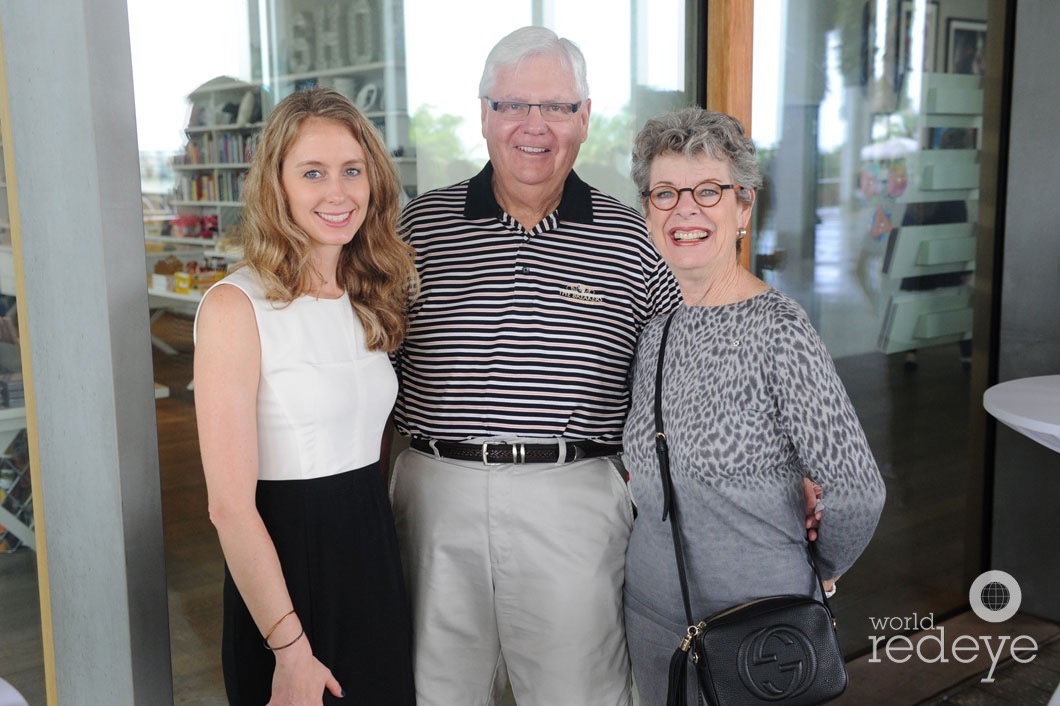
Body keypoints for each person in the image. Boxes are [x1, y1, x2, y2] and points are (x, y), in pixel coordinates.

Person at [388, 26, 683, 706]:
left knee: (581, 692)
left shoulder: (633, 237)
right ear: (484, 114)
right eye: (514, 105)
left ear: (584, 118)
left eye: (555, 107)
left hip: (575, 494)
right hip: (435, 494)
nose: (534, 126)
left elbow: (688, 366)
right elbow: (367, 367)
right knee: (436, 692)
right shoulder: (416, 230)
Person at [622, 106, 886, 705]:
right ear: (648, 213)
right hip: (653, 620)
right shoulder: (657, 332)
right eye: (665, 193)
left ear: (743, 208)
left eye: (708, 190)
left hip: (757, 630)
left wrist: (822, 569)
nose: (685, 209)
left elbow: (858, 489)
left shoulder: (778, 329)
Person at [193, 86, 417, 706]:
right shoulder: (236, 306)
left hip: (371, 559)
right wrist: (290, 650)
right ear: (278, 185)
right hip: (288, 573)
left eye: (352, 170)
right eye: (312, 173)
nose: (336, 192)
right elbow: (229, 509)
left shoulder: (370, 292)